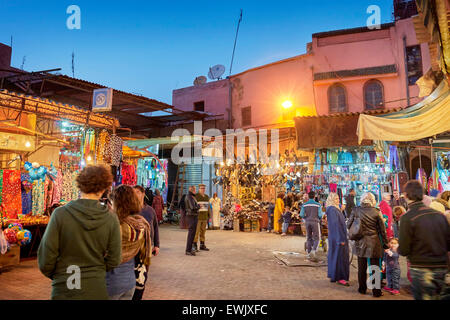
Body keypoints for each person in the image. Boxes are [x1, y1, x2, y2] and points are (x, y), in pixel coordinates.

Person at [38, 165, 121, 300]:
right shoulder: (111, 219)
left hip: (64, 287)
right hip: (95, 288)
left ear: (80, 185)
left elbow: (46, 258)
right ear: (104, 189)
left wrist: (59, 274)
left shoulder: (60, 214)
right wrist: (97, 271)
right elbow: (114, 259)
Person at [398, 180, 450, 300]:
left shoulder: (407, 218)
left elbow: (404, 250)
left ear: (406, 196)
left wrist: (398, 248)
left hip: (421, 268)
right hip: (441, 268)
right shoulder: (439, 215)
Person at [106, 185, 151, 300]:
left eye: (112, 202)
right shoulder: (140, 224)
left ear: (117, 203)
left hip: (111, 283)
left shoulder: (115, 226)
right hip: (129, 282)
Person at [347, 192, 388, 298]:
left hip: (360, 242)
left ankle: (362, 289)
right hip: (374, 243)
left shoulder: (356, 210)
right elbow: (382, 231)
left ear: (362, 200)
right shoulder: (376, 212)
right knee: (374, 267)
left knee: (361, 267)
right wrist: (385, 244)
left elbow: (348, 225)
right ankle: (376, 292)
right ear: (373, 200)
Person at [132, 185, 160, 300]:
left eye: (138, 192)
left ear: (143, 194)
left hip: (147, 247)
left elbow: (155, 228)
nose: (135, 194)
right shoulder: (130, 210)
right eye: (134, 192)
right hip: (134, 248)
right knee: (135, 274)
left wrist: (157, 245)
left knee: (144, 274)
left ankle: (139, 294)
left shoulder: (150, 210)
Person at [325, 193, 350, 286]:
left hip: (337, 237)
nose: (338, 200)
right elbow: (335, 225)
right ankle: (340, 277)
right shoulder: (332, 210)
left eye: (338, 198)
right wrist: (340, 239)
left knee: (336, 257)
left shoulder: (334, 209)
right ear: (331, 200)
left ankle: (335, 276)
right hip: (338, 237)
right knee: (340, 258)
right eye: (335, 199)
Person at [300, 191, 323, 261]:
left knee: (309, 237)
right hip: (315, 222)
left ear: (308, 196)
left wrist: (306, 218)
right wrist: (318, 218)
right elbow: (320, 215)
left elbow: (301, 215)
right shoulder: (318, 205)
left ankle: (309, 253)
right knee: (317, 238)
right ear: (314, 196)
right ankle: (313, 250)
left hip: (307, 222)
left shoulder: (304, 205)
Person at [193, 184, 211, 251]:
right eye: (201, 188)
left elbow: (208, 207)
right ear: (199, 189)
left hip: (205, 217)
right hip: (198, 217)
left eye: (204, 188)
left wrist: (209, 215)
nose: (203, 189)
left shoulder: (207, 197)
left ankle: (202, 245)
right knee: (196, 232)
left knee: (203, 232)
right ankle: (194, 245)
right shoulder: (196, 196)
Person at [185, 186, 200, 256]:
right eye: (195, 189)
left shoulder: (191, 196)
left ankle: (190, 249)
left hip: (193, 216)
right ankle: (188, 250)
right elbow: (192, 207)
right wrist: (198, 206)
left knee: (192, 233)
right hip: (192, 216)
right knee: (191, 233)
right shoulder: (189, 197)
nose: (196, 191)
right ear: (192, 190)